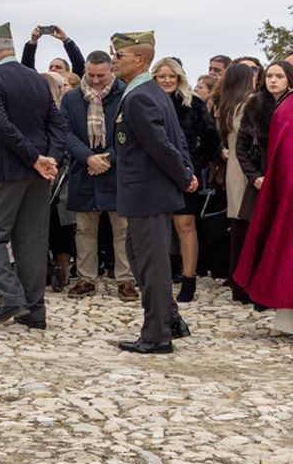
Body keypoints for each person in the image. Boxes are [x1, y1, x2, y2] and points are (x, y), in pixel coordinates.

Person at [0, 24, 65, 329]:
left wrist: (36, 158)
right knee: (31, 241)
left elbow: (1, 125)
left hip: (2, 169)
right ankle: (35, 311)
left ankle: (11, 297)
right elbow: (56, 122)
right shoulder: (36, 78)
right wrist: (50, 158)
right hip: (37, 172)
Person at [109, 31, 197, 354]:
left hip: (147, 193)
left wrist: (184, 173)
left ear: (140, 59)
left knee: (151, 264)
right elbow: (176, 141)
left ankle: (157, 334)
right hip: (150, 193)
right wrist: (185, 171)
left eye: (121, 56)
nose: (115, 61)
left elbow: (162, 145)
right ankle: (171, 318)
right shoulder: (150, 92)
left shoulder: (141, 96)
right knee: (139, 255)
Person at [61, 51, 133, 299]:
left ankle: (126, 279)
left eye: (100, 75)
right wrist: (88, 157)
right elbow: (65, 133)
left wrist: (108, 158)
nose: (94, 80)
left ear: (111, 70)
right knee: (84, 229)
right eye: (90, 75)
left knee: (122, 228)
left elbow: (132, 133)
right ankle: (85, 278)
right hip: (85, 170)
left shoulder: (126, 94)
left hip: (117, 170)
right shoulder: (71, 98)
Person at [151, 57, 220, 303]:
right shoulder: (146, 102)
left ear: (180, 77)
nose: (167, 80)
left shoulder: (193, 103)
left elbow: (212, 139)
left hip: (184, 174)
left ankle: (189, 280)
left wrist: (193, 165)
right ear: (155, 77)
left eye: (172, 76)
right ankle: (157, 278)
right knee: (156, 228)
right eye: (162, 76)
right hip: (153, 174)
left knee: (186, 226)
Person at [233, 59, 293, 334]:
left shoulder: (288, 108)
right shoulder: (260, 106)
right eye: (270, 75)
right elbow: (242, 146)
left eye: (279, 76)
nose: (273, 80)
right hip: (266, 182)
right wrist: (255, 176)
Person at [216, 62, 262, 284]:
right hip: (248, 169)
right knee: (248, 225)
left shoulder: (227, 105)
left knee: (237, 225)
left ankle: (235, 277)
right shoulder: (251, 103)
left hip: (233, 168)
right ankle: (245, 279)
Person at [22, 25, 86, 77]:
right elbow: (27, 69)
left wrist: (65, 39)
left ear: (67, 73)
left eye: (58, 67)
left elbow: (79, 66)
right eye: (51, 67)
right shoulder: (41, 86)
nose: (53, 69)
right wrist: (33, 41)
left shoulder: (72, 87)